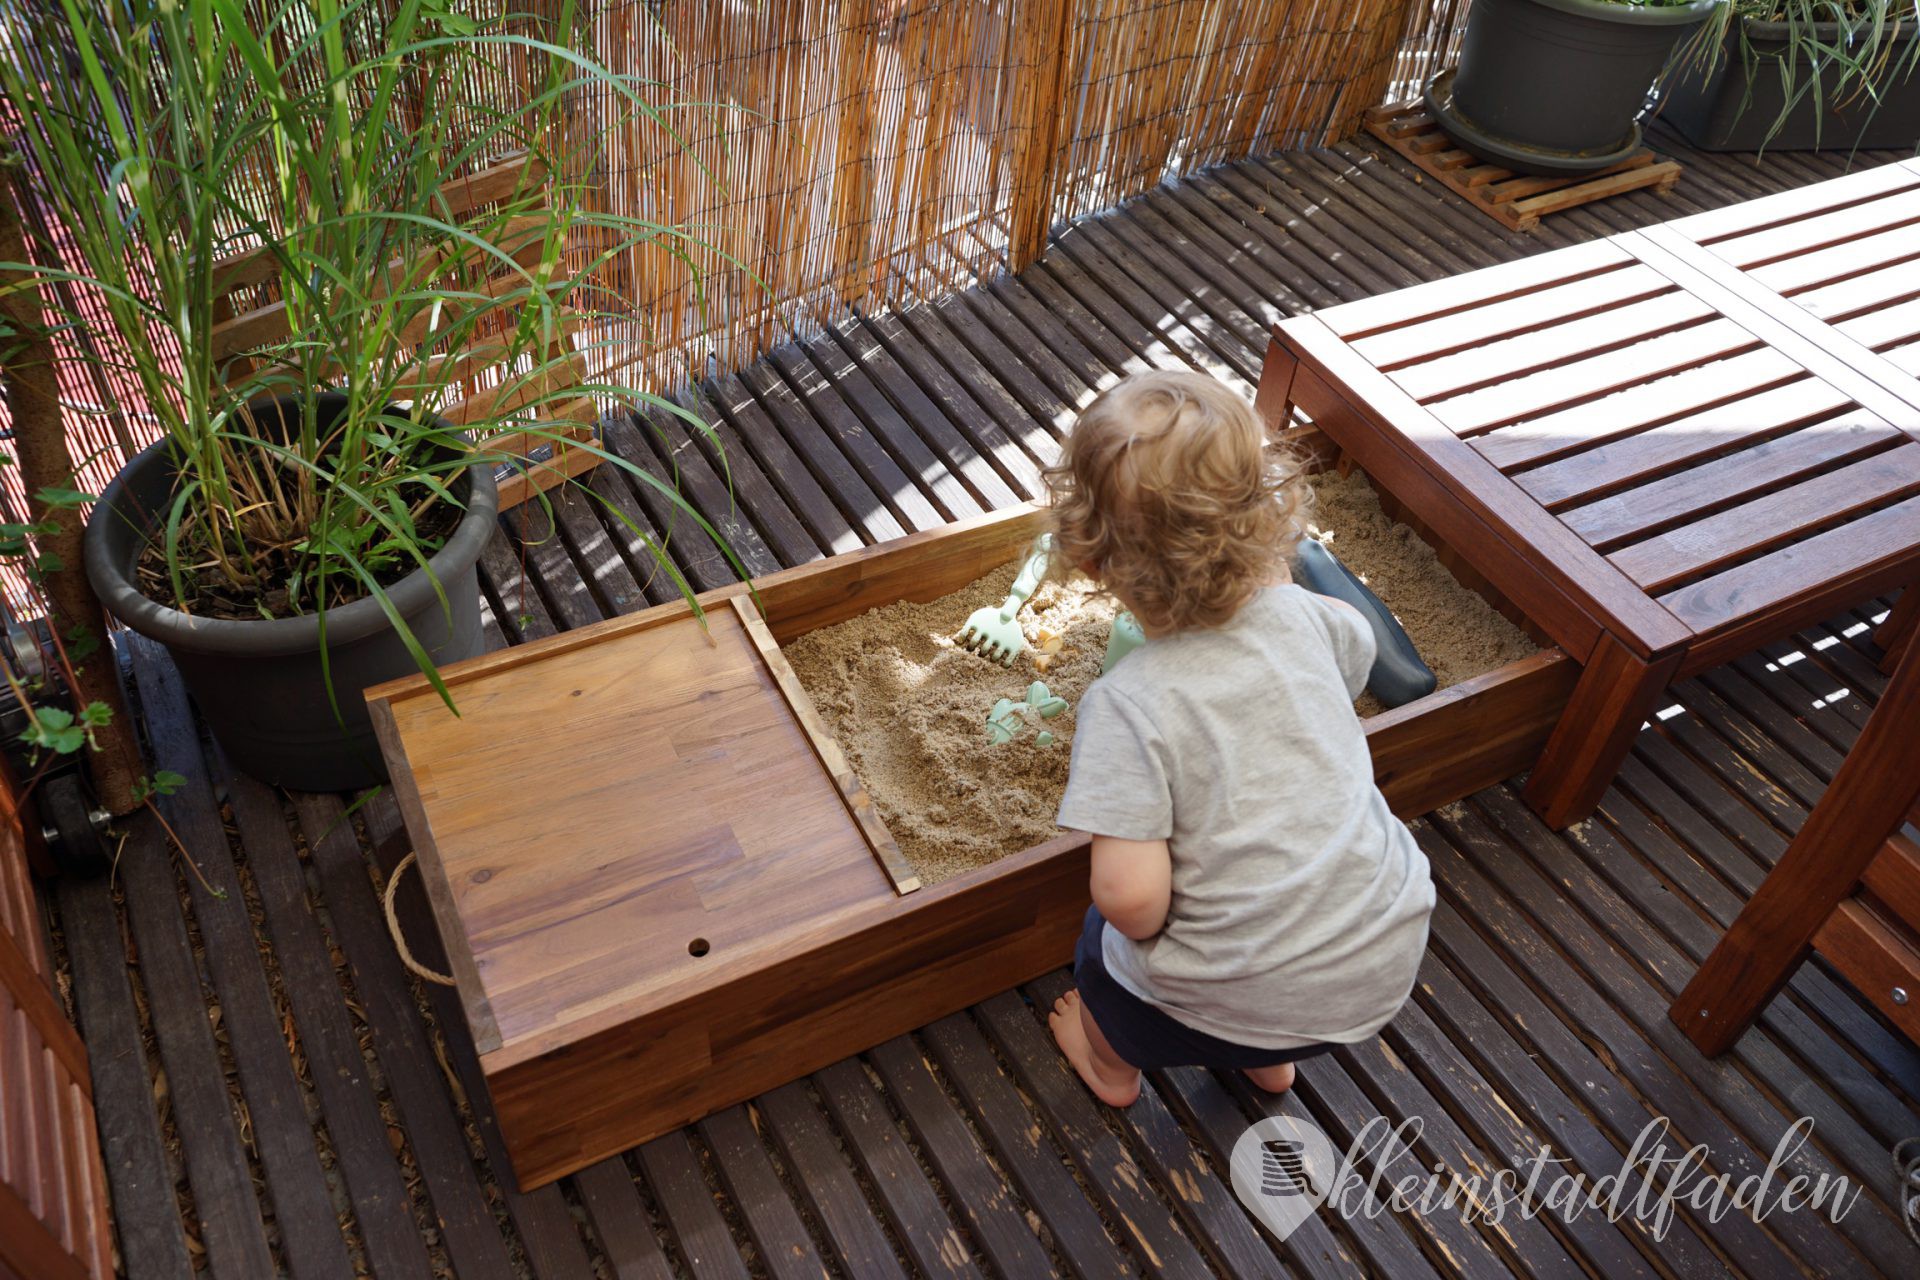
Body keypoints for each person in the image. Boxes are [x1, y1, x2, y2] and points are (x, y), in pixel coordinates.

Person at [1044, 370, 1435, 1106]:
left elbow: (1132, 901)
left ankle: (1111, 1071)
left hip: (1241, 992)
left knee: (1103, 951)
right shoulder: (1311, 618)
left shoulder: (1127, 704)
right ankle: (1268, 1066)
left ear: (1093, 565)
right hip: (1383, 951)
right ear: (1271, 524)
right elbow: (1355, 656)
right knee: (1275, 988)